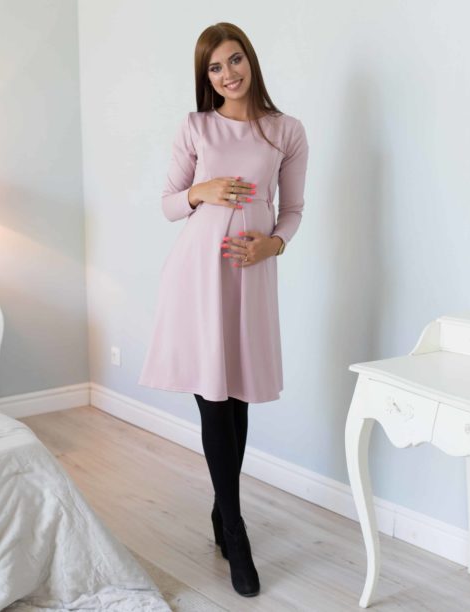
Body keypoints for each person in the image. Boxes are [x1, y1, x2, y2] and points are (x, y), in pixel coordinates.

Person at [138, 22, 309, 597]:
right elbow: (167, 204)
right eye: (215, 67)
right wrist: (200, 191)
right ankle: (235, 530)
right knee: (214, 399)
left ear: (250, 60)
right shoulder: (196, 126)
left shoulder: (286, 130)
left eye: (234, 60)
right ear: (205, 77)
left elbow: (294, 209)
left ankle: (221, 508)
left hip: (250, 277)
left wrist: (273, 244)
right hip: (196, 276)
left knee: (237, 398)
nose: (228, 74)